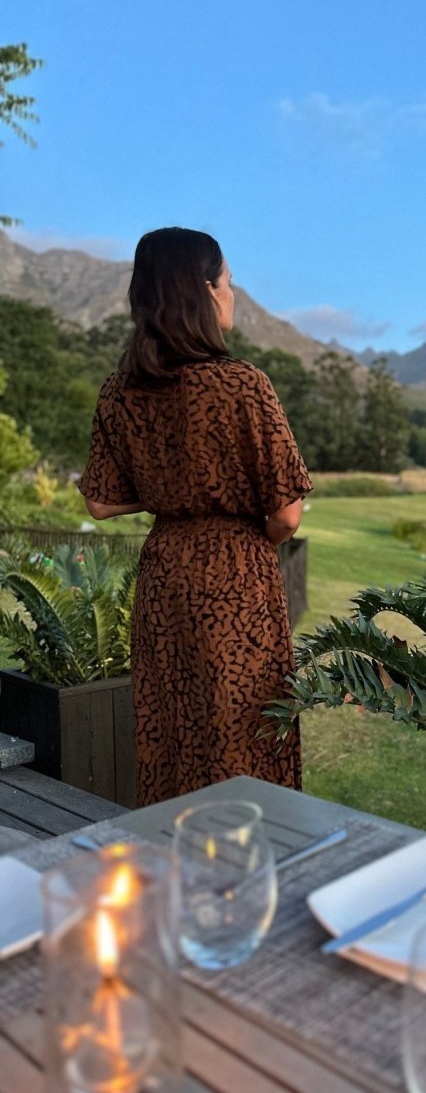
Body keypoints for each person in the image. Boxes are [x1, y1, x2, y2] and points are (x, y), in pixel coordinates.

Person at [78, 227, 312, 806]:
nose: (233, 293)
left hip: (164, 575)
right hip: (236, 574)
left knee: (171, 728)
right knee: (245, 728)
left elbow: (101, 503)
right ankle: (250, 863)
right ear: (205, 293)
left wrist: (172, 496)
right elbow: (287, 514)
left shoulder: (119, 391)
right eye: (229, 282)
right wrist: (234, 518)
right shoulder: (243, 385)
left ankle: (175, 861)